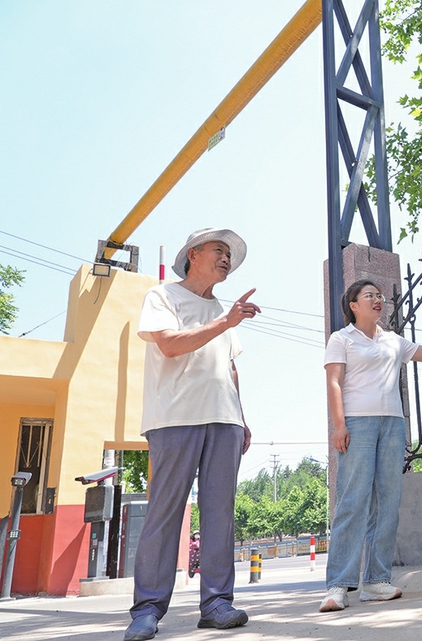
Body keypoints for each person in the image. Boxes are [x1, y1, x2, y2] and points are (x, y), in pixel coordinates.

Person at [124, 228, 260, 641]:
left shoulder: (221, 309)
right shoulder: (163, 296)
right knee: (165, 511)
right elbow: (168, 345)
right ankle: (147, 609)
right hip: (173, 418)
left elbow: (230, 367)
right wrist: (224, 321)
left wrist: (242, 415)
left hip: (224, 419)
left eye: (229, 255)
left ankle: (217, 603)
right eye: (219, 251)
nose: (226, 259)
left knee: (220, 512)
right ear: (194, 254)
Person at [319, 279, 422, 612]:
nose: (378, 300)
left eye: (380, 295)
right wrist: (340, 425)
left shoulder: (394, 340)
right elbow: (334, 381)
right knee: (353, 501)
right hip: (358, 423)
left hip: (393, 424)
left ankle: (376, 581)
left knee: (388, 503)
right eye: (370, 296)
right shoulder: (342, 339)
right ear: (353, 305)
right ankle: (338, 585)